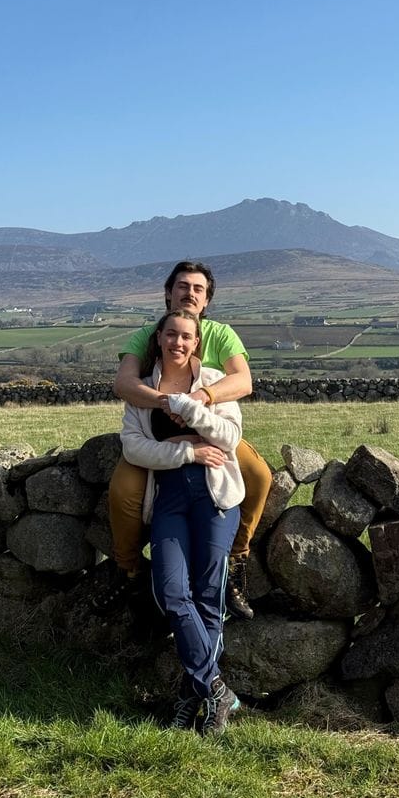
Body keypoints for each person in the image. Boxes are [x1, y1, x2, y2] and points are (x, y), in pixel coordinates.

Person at [95, 260, 271, 619]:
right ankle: (127, 570)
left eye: (198, 289)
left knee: (259, 477)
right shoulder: (148, 334)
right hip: (155, 432)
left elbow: (243, 382)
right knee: (123, 491)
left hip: (211, 428)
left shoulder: (222, 334)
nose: (189, 293)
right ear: (167, 293)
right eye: (182, 286)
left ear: (206, 300)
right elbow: (124, 383)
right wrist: (166, 402)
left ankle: (235, 562)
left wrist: (201, 399)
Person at [120, 309, 243, 734]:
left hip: (215, 497)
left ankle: (195, 700)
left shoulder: (213, 382)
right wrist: (187, 451)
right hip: (169, 496)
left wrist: (189, 410)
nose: (178, 342)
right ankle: (216, 688)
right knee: (172, 591)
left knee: (209, 595)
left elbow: (229, 439)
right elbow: (134, 447)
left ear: (196, 343)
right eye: (170, 334)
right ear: (158, 338)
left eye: (186, 336)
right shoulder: (142, 389)